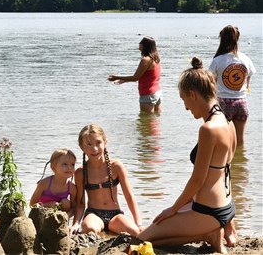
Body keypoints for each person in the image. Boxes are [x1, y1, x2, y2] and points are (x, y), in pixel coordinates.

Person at [138, 57, 237, 253]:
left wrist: (173, 209)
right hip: (225, 207)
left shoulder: (208, 129)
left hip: (208, 212)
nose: (185, 107)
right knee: (158, 222)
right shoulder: (228, 122)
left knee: (139, 241)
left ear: (193, 94)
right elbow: (226, 171)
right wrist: (228, 221)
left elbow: (197, 180)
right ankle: (211, 231)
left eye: (184, 100)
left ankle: (206, 233)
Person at [72, 124, 142, 236]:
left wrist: (138, 223)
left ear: (105, 142)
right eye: (89, 145)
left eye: (98, 143)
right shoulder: (81, 172)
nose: (94, 149)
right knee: (89, 228)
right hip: (93, 214)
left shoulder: (116, 166)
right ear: (82, 147)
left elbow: (129, 196)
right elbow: (80, 204)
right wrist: (76, 223)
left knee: (134, 232)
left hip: (115, 215)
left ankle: (109, 232)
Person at [208, 25, 256, 146]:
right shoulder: (245, 59)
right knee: (240, 139)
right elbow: (248, 79)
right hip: (242, 103)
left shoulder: (218, 60)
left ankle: (225, 163)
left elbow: (210, 82)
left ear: (222, 39)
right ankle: (240, 162)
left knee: (223, 140)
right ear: (237, 39)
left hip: (223, 102)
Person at [108, 36, 162, 114]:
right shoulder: (156, 58)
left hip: (148, 94)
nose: (139, 43)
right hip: (157, 92)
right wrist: (124, 80)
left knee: (146, 121)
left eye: (141, 42)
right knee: (156, 119)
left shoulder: (145, 60)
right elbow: (148, 76)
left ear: (144, 45)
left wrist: (116, 77)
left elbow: (135, 78)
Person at [29, 148, 77, 216]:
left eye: (72, 164)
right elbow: (32, 204)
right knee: (55, 205)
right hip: (42, 214)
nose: (69, 167)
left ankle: (60, 221)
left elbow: (74, 208)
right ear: (53, 167)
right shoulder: (44, 183)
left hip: (60, 215)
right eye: (65, 164)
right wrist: (48, 205)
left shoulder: (72, 187)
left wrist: (67, 216)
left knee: (66, 203)